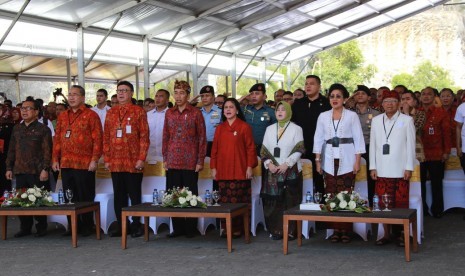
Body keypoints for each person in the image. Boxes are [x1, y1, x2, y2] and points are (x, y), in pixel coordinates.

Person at [313, 83, 365, 243]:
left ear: (344, 99)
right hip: (328, 159)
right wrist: (317, 160)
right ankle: (335, 229)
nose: (335, 99)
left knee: (346, 195)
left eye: (338, 96)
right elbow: (318, 138)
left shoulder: (352, 116)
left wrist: (357, 161)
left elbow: (358, 139)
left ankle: (346, 230)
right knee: (331, 195)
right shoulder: (323, 116)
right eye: (332, 96)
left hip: (348, 159)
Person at [52, 85, 103, 237]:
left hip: (85, 164)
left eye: (75, 94)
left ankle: (87, 226)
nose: (72, 97)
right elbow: (58, 139)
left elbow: (98, 140)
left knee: (85, 195)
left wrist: (94, 160)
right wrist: (55, 158)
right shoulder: (62, 116)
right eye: (70, 94)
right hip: (66, 163)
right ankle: (73, 226)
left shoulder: (91, 115)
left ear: (82, 97)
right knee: (69, 196)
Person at [370, 90, 416, 246]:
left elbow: (410, 146)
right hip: (381, 168)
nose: (389, 104)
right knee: (384, 204)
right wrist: (372, 167)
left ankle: (403, 234)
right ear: (382, 104)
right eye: (386, 101)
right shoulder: (376, 120)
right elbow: (373, 146)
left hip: (400, 169)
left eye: (393, 101)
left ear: (399, 103)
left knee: (401, 203)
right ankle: (386, 234)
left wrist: (409, 167)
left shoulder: (407, 120)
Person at [103, 81, 149, 238]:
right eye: (119, 90)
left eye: (125, 90)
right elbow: (107, 137)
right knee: (119, 195)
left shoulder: (139, 112)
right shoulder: (111, 112)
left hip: (133, 161)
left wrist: (141, 158)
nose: (121, 93)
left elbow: (144, 136)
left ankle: (136, 224)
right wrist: (107, 159)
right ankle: (122, 224)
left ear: (132, 93)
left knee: (134, 194)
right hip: (115, 161)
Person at [163, 80, 206, 238]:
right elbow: (165, 136)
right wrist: (165, 158)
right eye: (176, 92)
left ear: (188, 95)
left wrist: (200, 160)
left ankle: (191, 228)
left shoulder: (196, 113)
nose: (178, 96)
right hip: (173, 159)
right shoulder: (169, 113)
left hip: (190, 161)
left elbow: (202, 137)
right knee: (173, 194)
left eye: (182, 93)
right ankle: (177, 228)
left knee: (190, 194)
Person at [5, 99, 53, 238]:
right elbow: (11, 149)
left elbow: (47, 151)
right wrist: (9, 167)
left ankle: (41, 227)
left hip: (37, 171)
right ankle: (25, 227)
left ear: (36, 111)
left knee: (39, 200)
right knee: (21, 200)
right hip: (20, 170)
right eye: (23, 108)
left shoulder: (43, 129)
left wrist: (45, 168)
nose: (24, 111)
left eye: (28, 108)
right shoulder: (17, 128)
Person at [210, 98, 257, 238]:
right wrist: (213, 168)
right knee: (225, 201)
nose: (228, 110)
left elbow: (250, 149)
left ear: (237, 110)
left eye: (231, 107)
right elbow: (214, 150)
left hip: (241, 170)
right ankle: (226, 228)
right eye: (226, 108)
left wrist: (249, 166)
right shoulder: (219, 128)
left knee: (240, 201)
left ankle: (240, 228)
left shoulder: (244, 127)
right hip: (223, 170)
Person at [260, 101, 304, 240]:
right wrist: (269, 164)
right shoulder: (269, 129)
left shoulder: (296, 129)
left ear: (289, 112)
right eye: (277, 110)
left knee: (290, 201)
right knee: (273, 202)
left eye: (283, 110)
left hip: (290, 170)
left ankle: (291, 231)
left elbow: (300, 149)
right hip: (272, 170)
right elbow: (263, 150)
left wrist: (287, 164)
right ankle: (276, 230)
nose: (279, 112)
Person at [292, 75, 331, 196]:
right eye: (306, 83)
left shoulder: (326, 104)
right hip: (303, 147)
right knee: (304, 178)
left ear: (319, 86)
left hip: (322, 148)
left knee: (320, 178)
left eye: (312, 83)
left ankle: (322, 204)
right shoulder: (298, 104)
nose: (308, 86)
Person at [419, 86, 451, 218]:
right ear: (420, 97)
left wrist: (446, 151)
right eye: (423, 94)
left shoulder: (441, 112)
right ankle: (423, 210)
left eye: (429, 94)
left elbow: (447, 134)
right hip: (419, 154)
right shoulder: (416, 112)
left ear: (434, 97)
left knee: (436, 183)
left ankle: (437, 210)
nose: (426, 96)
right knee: (419, 183)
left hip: (437, 153)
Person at [352, 85, 381, 206]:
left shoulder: (376, 114)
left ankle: (371, 203)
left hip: (370, 147)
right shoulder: (349, 113)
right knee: (352, 175)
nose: (360, 95)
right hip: (353, 148)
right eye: (357, 93)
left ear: (369, 97)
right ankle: (351, 202)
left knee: (371, 176)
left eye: (363, 93)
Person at [243, 83, 277, 155]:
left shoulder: (271, 112)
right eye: (251, 94)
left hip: (265, 149)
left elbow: (277, 131)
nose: (254, 96)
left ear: (264, 96)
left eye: (257, 93)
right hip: (246, 148)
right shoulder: (245, 110)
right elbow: (231, 105)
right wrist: (243, 97)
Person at [400, 91, 426, 163]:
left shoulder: (420, 114)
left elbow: (413, 130)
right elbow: (398, 131)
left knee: (417, 173)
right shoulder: (397, 115)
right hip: (400, 150)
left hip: (416, 149)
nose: (405, 101)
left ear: (414, 101)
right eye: (403, 99)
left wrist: (406, 113)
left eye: (408, 99)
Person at [147, 89, 169, 160]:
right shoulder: (148, 115)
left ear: (167, 100)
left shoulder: (171, 115)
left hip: (167, 155)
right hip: (149, 154)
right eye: (156, 96)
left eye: (161, 96)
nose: (157, 98)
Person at [200, 85, 221, 157]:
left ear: (213, 97)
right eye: (202, 96)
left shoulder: (220, 111)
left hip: (216, 145)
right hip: (201, 145)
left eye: (207, 95)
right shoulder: (198, 113)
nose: (204, 98)